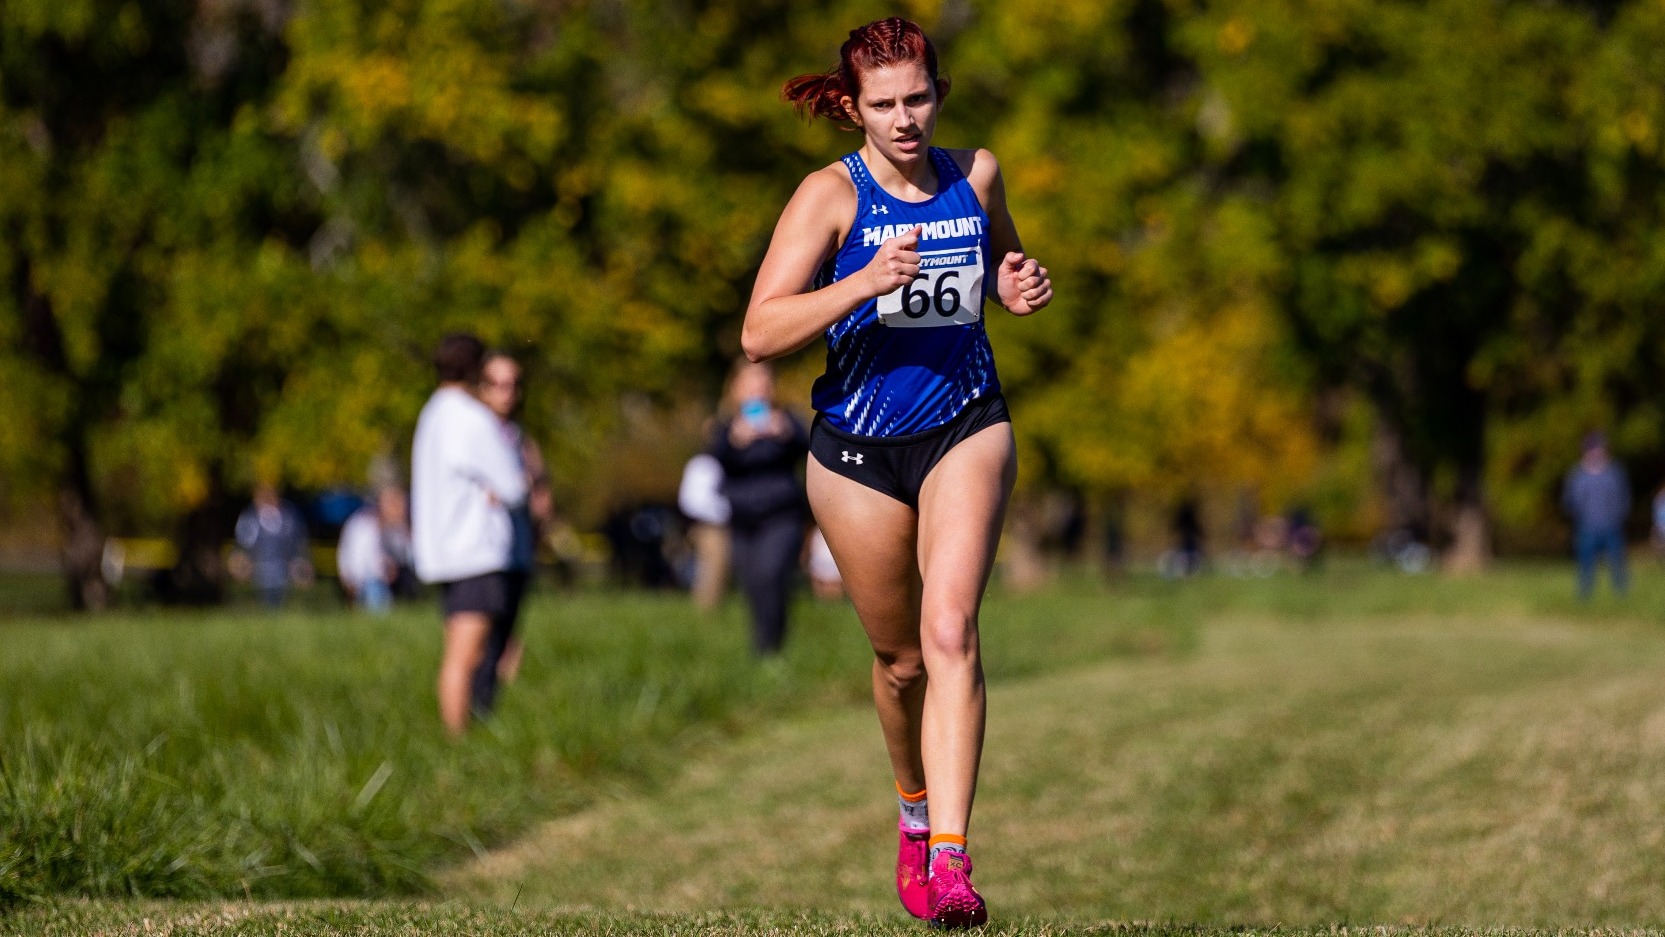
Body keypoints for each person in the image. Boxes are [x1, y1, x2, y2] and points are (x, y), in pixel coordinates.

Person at [742, 17, 1052, 928]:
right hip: (856, 451)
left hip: (965, 425)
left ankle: (952, 860)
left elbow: (1000, 259)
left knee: (950, 627)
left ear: (939, 92)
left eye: (917, 97)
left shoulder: (975, 174)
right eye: (883, 104)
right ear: (852, 108)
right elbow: (760, 332)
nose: (904, 118)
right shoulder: (828, 198)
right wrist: (858, 283)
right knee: (900, 659)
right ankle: (912, 812)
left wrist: (1013, 284)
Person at [411, 333, 528, 737]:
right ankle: (459, 744)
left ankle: (464, 738)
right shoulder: (471, 418)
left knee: (464, 654)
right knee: (467, 657)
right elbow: (513, 486)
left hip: (443, 550)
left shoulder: (432, 414)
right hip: (474, 552)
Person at [708, 360, 809, 655]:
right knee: (753, 583)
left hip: (782, 514)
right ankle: (762, 649)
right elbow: (713, 461)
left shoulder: (787, 419)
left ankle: (773, 647)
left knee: (771, 573)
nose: (759, 388)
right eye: (751, 382)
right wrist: (733, 440)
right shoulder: (727, 426)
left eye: (764, 382)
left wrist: (787, 434)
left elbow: (810, 449)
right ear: (736, 388)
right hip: (741, 517)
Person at [474, 350, 551, 697]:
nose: (508, 392)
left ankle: (486, 713)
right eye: (498, 384)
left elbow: (539, 489)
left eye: (514, 385)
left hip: (519, 550)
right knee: (482, 639)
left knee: (505, 636)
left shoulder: (519, 437)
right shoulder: (472, 432)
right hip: (483, 551)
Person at [1562, 431, 1630, 600]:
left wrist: (1618, 515)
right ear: (1585, 451)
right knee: (1586, 566)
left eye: (1599, 448)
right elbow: (1569, 501)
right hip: (1586, 527)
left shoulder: (1614, 473)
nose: (1596, 452)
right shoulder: (1577, 475)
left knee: (1617, 563)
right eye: (1592, 448)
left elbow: (1624, 498)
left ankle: (1621, 596)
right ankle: (1585, 596)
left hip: (1612, 526)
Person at [232, 482, 311, 609]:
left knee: (281, 607)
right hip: (258, 574)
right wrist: (241, 566)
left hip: (283, 573)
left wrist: (302, 565)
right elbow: (242, 546)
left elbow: (298, 544)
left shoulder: (288, 516)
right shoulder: (250, 518)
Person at [337, 486, 413, 613]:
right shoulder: (364, 523)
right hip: (367, 580)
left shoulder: (393, 526)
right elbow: (358, 559)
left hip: (379, 578)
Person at [678, 450, 732, 611]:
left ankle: (710, 610)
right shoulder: (703, 465)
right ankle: (706, 611)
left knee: (718, 570)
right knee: (711, 570)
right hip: (710, 525)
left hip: (721, 524)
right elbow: (690, 500)